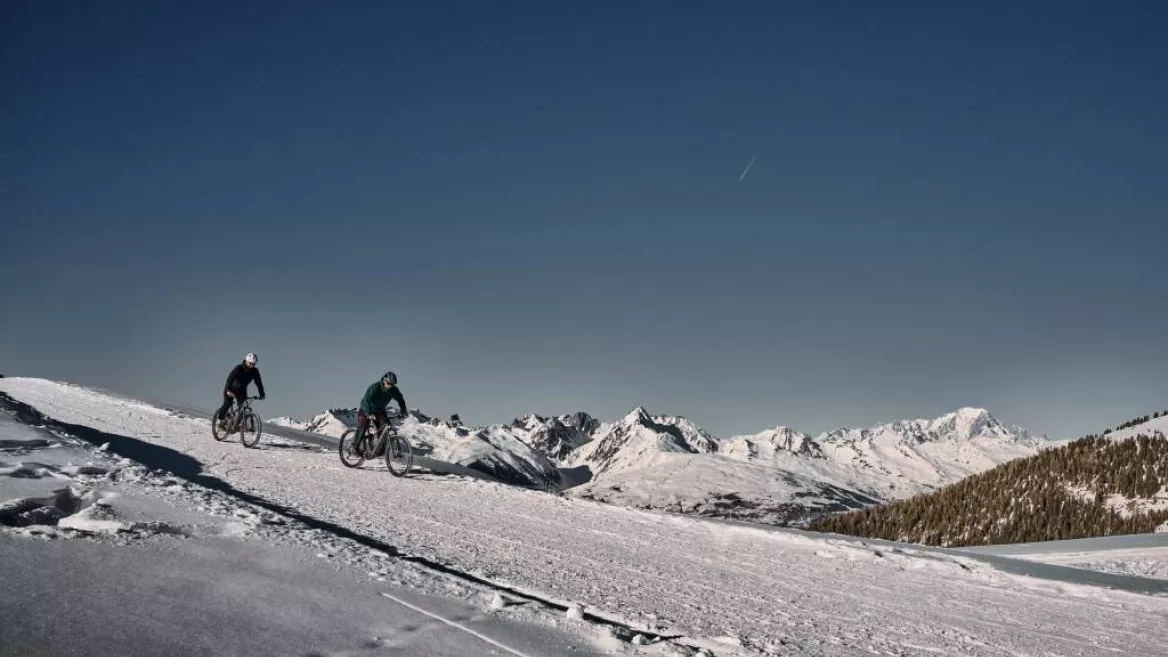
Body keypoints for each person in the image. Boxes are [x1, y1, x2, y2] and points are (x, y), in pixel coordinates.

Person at [351, 371, 407, 453]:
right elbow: (367, 400)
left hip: (379, 410)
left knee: (385, 427)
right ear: (384, 380)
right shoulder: (374, 387)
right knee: (363, 426)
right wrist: (368, 413)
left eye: (392, 384)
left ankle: (380, 449)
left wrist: (403, 411)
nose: (390, 386)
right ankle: (354, 447)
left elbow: (400, 400)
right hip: (366, 409)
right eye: (389, 383)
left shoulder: (393, 390)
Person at [215, 353, 265, 428]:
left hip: (242, 390)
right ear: (246, 361)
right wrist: (228, 390)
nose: (251, 366)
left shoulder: (255, 371)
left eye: (253, 364)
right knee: (227, 403)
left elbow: (259, 383)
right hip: (231, 388)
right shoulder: (239, 368)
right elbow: (230, 378)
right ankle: (220, 420)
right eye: (250, 363)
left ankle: (236, 425)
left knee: (242, 408)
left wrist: (262, 394)